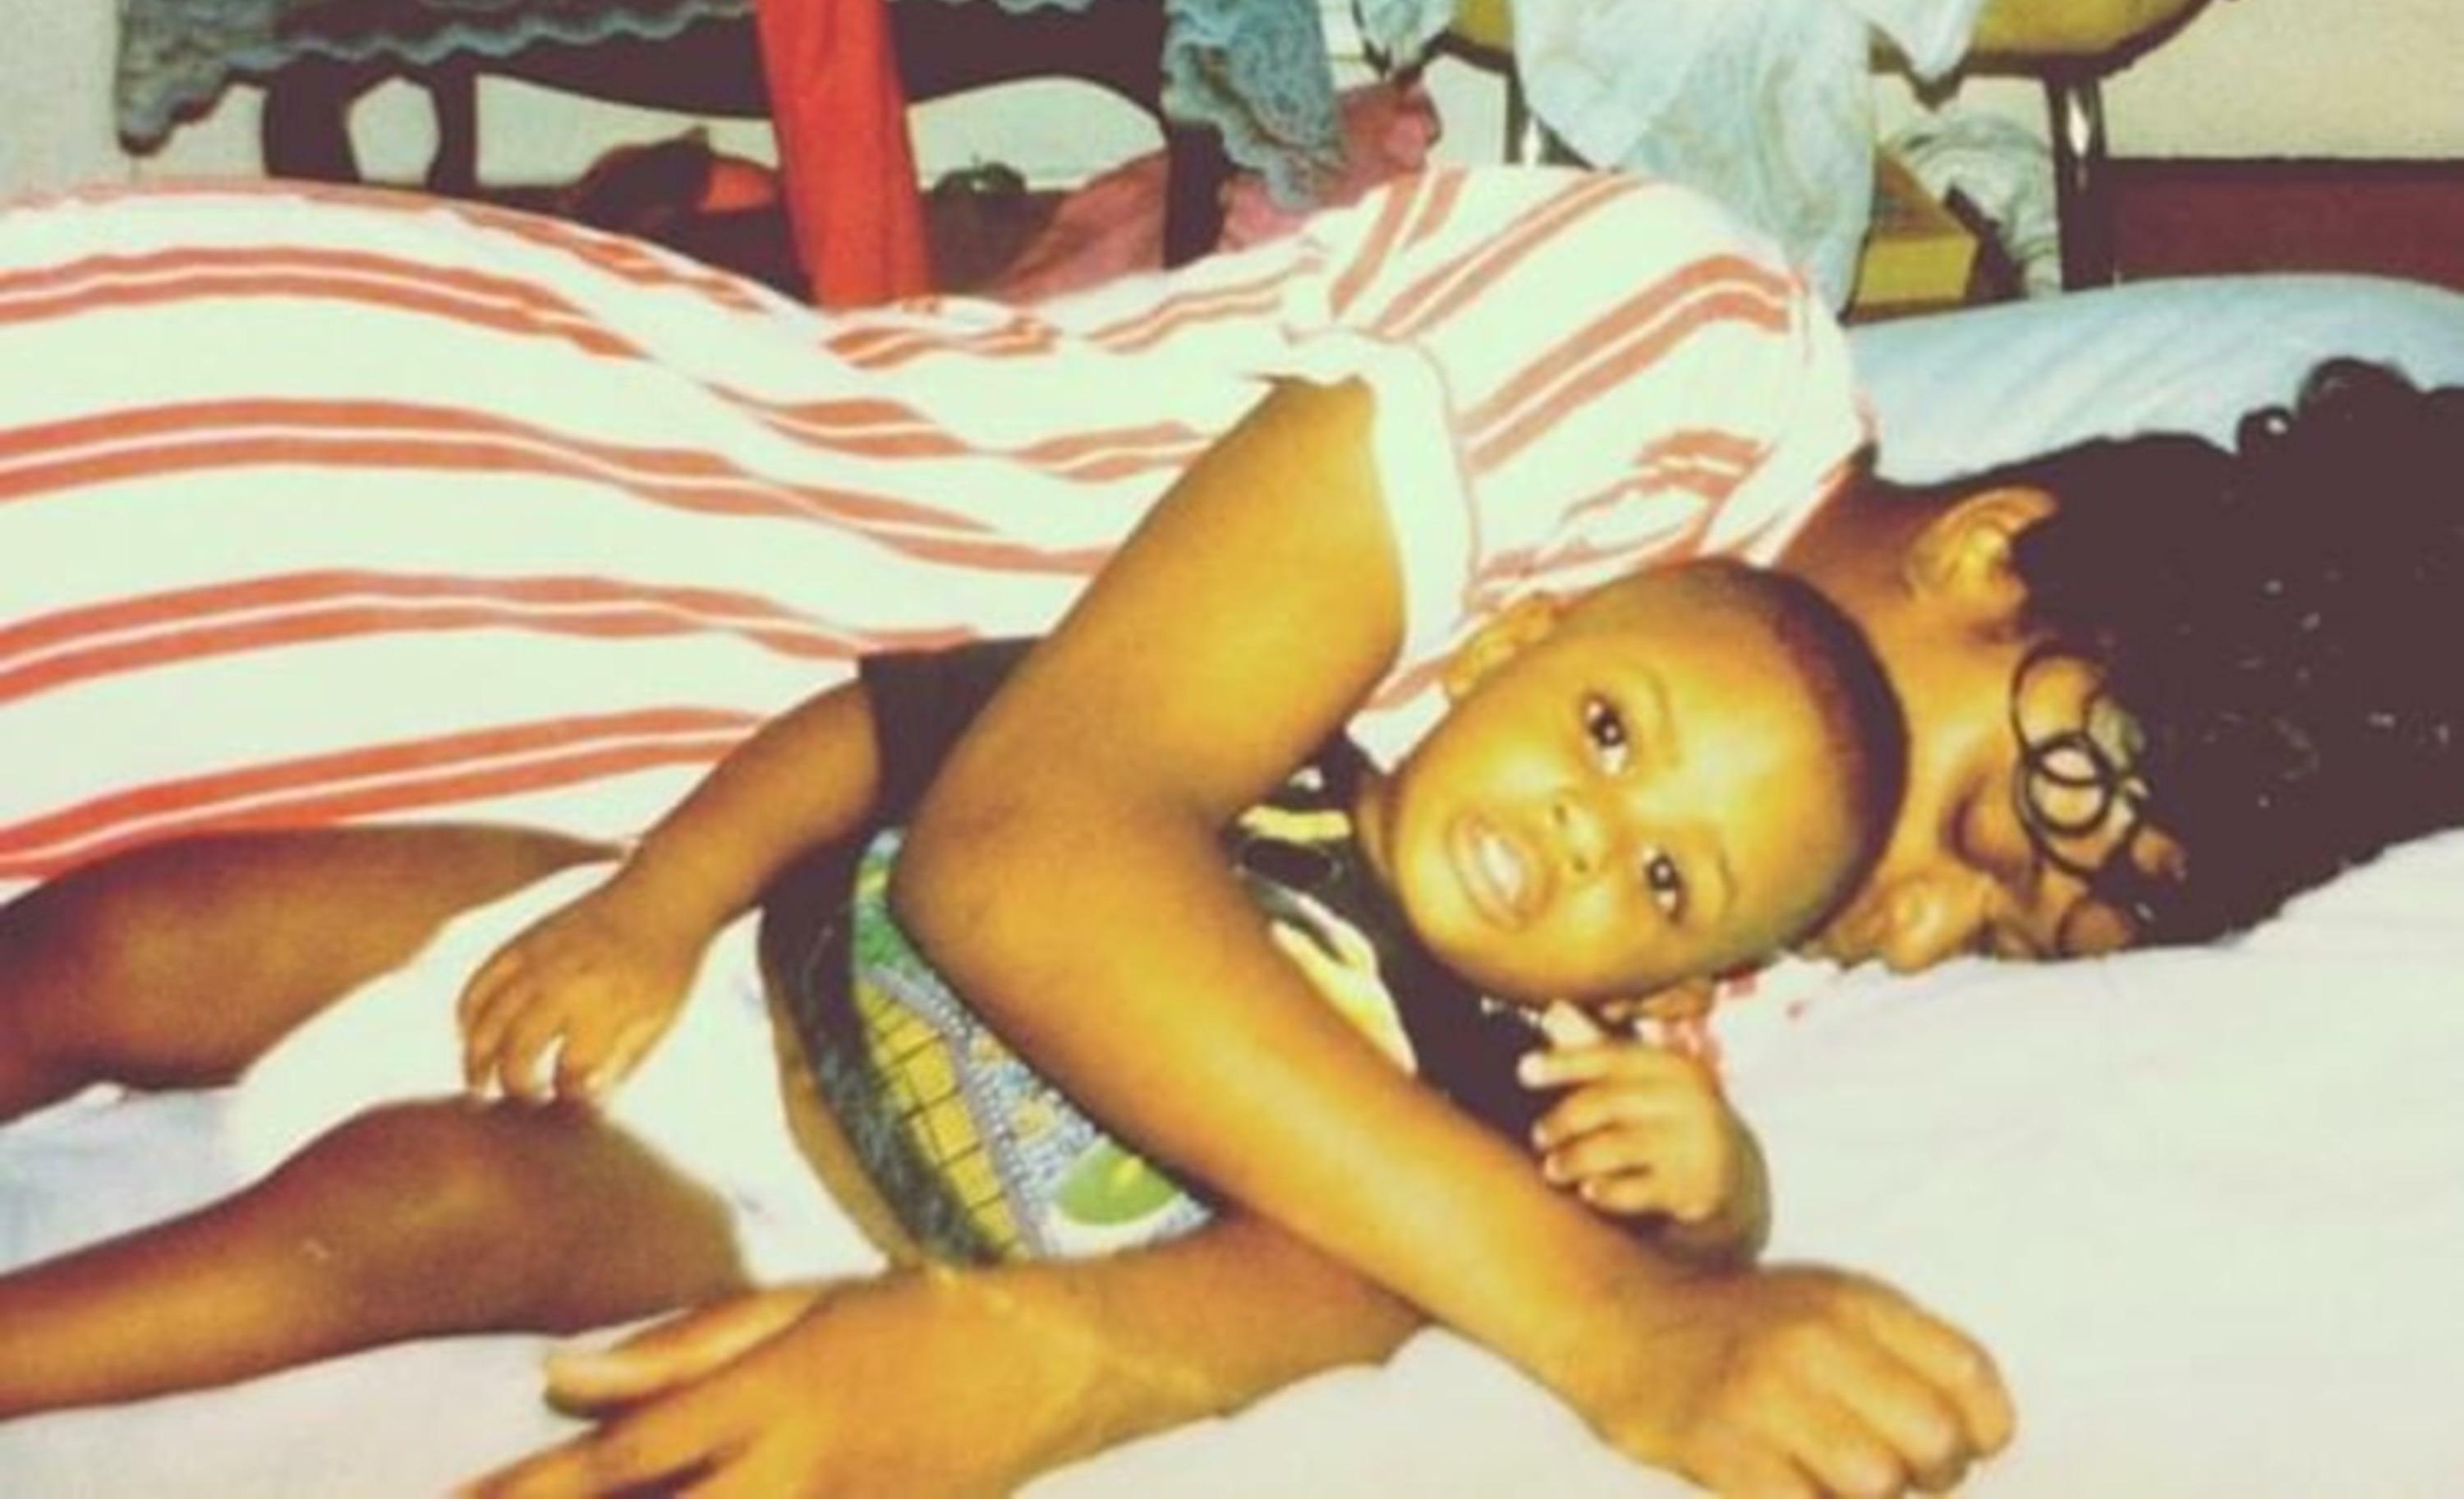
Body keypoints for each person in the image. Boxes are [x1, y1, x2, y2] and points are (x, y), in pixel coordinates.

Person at [4, 165, 2458, 1495]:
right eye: (1986, 830)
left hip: (589, 935)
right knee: (103, 948)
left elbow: (1397, 1195)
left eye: (2002, 943)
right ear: (1998, 547)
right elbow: (1032, 842)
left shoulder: (1738, 933)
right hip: (441, 530)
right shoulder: (1680, 347)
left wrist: (1051, 1354)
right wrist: (1620, 1328)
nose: (1914, 928)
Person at [0, 555, 1901, 1419]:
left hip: (764, 1201)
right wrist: (654, 901)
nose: (1587, 828)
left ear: (1689, 977)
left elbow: (1597, 1275)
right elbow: (884, 732)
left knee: (416, 1202)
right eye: (1607, 732)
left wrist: (1715, 1196)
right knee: (140, 933)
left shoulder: (1490, 1084)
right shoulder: (1232, 720)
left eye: (1667, 880)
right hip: (712, 943)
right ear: (1514, 642)